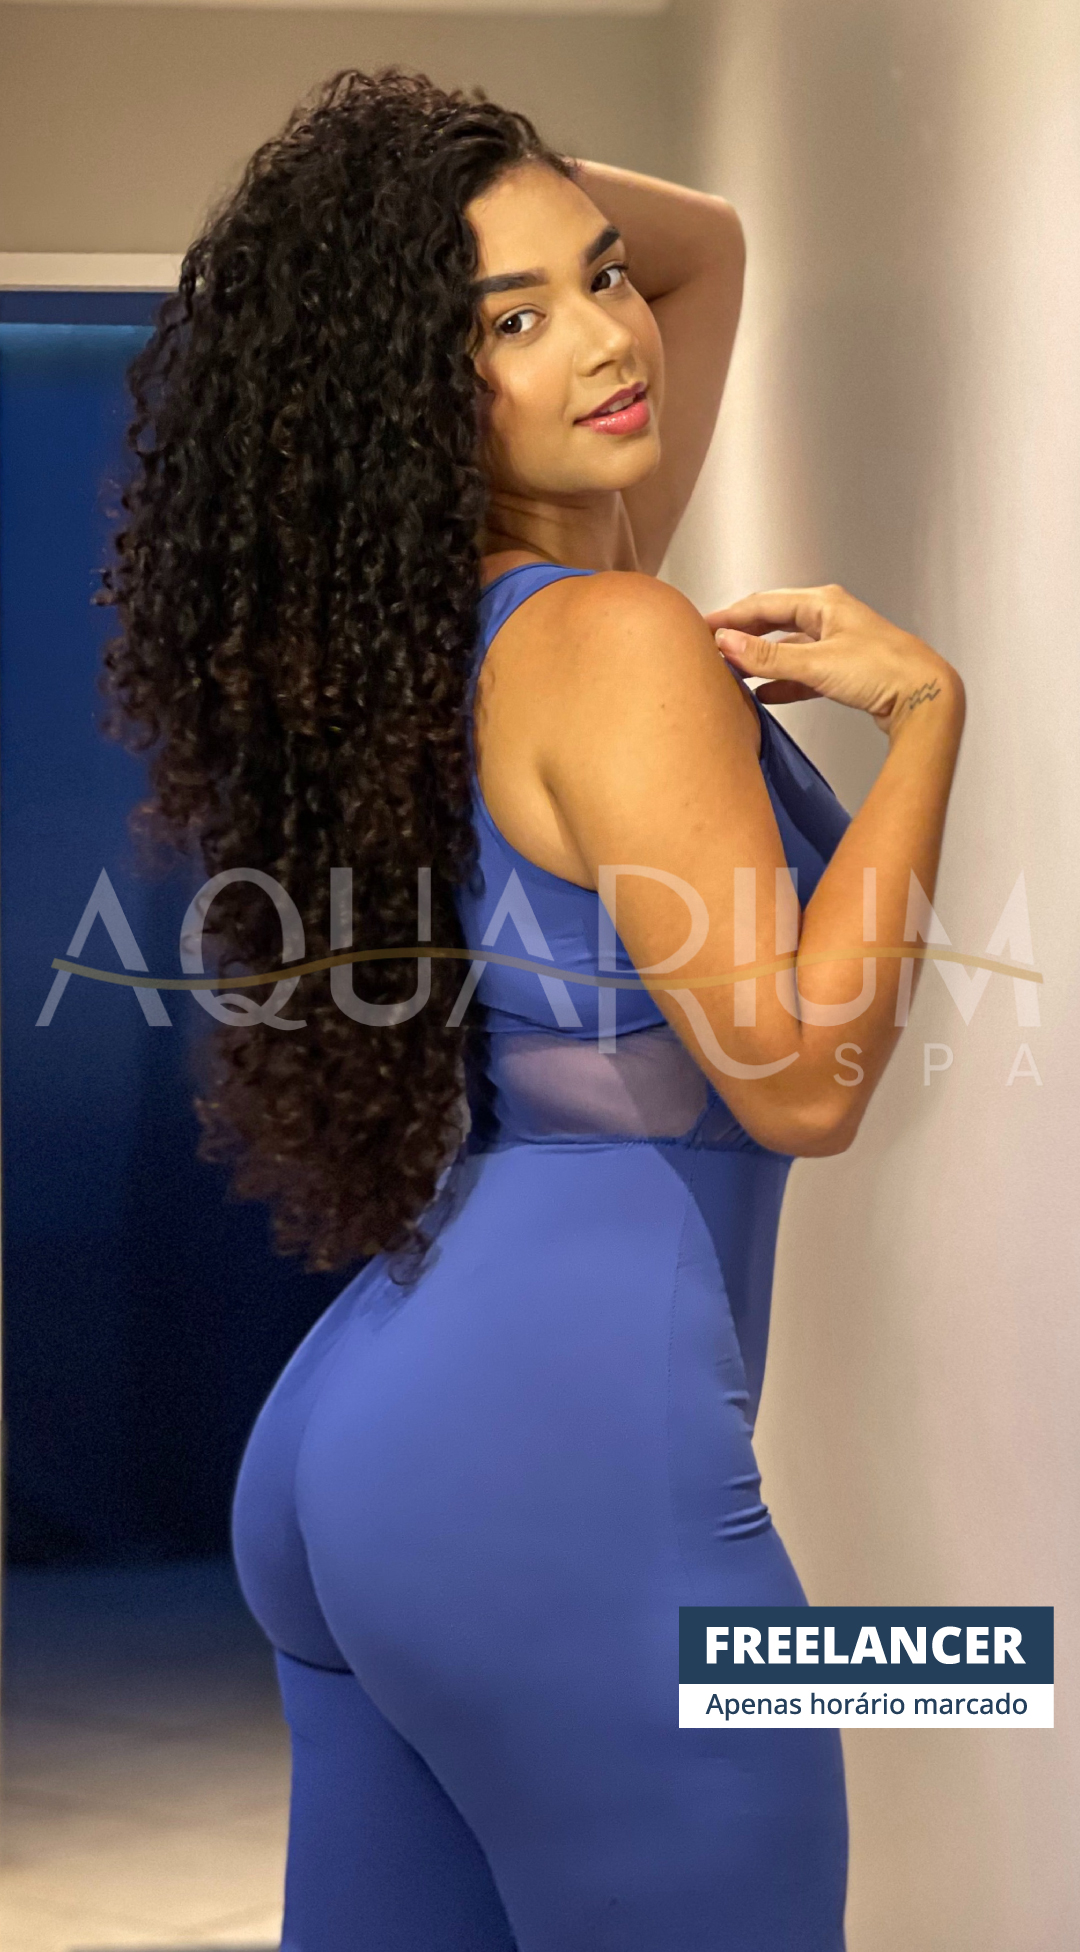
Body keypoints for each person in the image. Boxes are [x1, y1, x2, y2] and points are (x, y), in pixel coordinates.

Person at [98, 65, 966, 1952]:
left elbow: (706, 247)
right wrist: (923, 721)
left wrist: (443, 199)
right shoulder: (615, 637)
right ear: (406, 388)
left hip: (368, 1443)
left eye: (595, 276)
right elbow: (804, 1084)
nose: (608, 336)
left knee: (961, 1686)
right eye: (509, 321)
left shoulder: (465, 621)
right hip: (566, 1481)